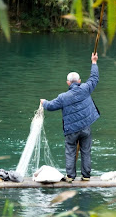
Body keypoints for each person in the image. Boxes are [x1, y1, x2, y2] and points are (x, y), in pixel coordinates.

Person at [41, 53, 100, 182]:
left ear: (68, 83)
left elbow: (50, 106)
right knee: (86, 151)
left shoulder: (63, 97)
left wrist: (44, 102)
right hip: (85, 128)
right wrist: (94, 62)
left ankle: (70, 177)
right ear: (79, 81)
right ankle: (86, 176)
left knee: (70, 152)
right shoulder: (85, 88)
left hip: (71, 131)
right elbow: (94, 78)